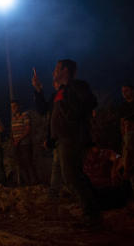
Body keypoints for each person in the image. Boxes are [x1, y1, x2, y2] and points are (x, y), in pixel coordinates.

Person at [33, 59, 101, 227]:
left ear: (65, 70)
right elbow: (43, 110)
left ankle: (92, 215)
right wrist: (38, 90)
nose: (53, 71)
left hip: (72, 137)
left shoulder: (77, 86)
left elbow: (90, 102)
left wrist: (71, 117)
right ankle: (93, 211)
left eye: (56, 68)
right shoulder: (58, 93)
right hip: (61, 140)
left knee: (72, 176)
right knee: (73, 176)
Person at [9, 100, 35, 186]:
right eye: (12, 107)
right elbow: (13, 131)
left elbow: (28, 129)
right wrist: (13, 140)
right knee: (20, 163)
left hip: (24, 143)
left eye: (15, 106)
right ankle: (26, 182)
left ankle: (33, 182)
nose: (13, 109)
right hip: (17, 144)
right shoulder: (13, 118)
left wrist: (19, 139)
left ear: (19, 107)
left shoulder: (25, 116)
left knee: (28, 162)